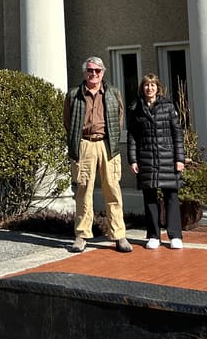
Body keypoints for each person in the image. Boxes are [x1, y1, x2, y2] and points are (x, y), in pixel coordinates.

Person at [64, 55, 131, 253]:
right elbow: (68, 122)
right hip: (85, 144)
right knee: (84, 191)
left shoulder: (113, 93)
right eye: (90, 70)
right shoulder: (74, 94)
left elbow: (119, 119)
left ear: (103, 73)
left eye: (97, 71)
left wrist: (111, 138)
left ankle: (119, 236)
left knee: (113, 190)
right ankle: (82, 235)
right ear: (84, 73)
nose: (94, 74)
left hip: (107, 144)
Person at [127, 73, 185, 249]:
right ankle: (153, 235)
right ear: (142, 88)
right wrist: (133, 160)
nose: (149, 88)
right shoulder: (135, 108)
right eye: (146, 85)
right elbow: (132, 136)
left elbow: (177, 134)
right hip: (146, 157)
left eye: (152, 85)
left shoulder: (167, 107)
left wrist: (179, 159)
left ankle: (175, 235)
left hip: (167, 157)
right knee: (149, 197)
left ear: (158, 88)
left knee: (171, 196)